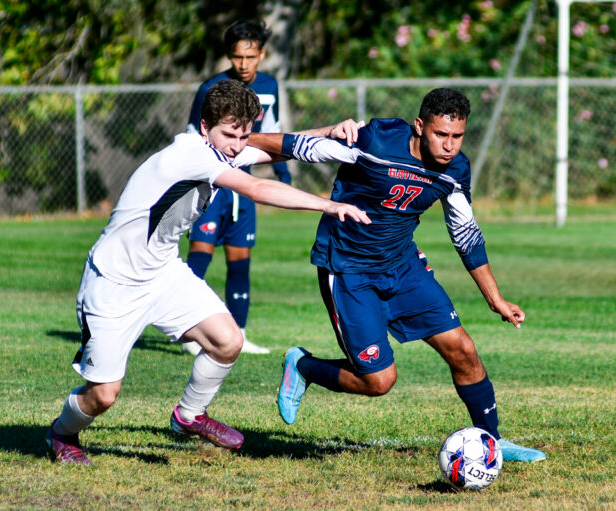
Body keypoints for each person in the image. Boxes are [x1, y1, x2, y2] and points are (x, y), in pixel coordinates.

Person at [45, 79, 370, 465]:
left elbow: (274, 146)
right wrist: (328, 206)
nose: (237, 144)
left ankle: (188, 416)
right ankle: (61, 434)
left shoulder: (222, 148)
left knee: (227, 340)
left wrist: (328, 132)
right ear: (204, 127)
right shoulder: (190, 155)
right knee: (103, 395)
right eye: (229, 135)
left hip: (163, 273)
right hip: (114, 282)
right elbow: (256, 189)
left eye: (243, 135)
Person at [249, 88, 546, 462]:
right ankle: (303, 366)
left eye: (457, 136)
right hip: (349, 269)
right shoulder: (374, 142)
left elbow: (466, 234)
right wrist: (238, 140)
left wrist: (495, 298)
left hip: (403, 267)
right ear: (420, 127)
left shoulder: (455, 171)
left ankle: (492, 441)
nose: (449, 145)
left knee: (464, 350)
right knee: (379, 381)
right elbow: (296, 146)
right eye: (441, 134)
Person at [183, 20, 289, 356]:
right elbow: (192, 131)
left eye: (250, 56)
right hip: (213, 186)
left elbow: (272, 130)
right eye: (237, 57)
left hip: (243, 187)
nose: (243, 64)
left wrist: (282, 169)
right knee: (198, 260)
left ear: (262, 54)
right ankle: (187, 334)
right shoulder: (212, 87)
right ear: (229, 55)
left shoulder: (270, 85)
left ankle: (239, 335)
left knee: (240, 262)